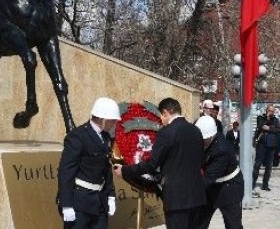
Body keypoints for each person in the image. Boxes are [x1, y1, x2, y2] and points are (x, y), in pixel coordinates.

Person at [114, 98, 206, 229]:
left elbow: (151, 165)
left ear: (165, 112)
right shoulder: (195, 131)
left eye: (160, 116)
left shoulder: (166, 133)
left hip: (177, 200)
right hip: (198, 197)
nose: (161, 121)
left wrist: (125, 170)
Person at [57, 97, 120, 228]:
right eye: (112, 120)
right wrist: (66, 204)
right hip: (79, 202)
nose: (114, 123)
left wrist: (111, 195)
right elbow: (66, 172)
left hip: (99, 200)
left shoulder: (105, 137)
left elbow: (106, 169)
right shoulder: (78, 137)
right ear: (103, 119)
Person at [194, 116, 243, 229]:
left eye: (203, 139)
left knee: (233, 225)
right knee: (198, 223)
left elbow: (208, 178)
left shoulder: (222, 150)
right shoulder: (202, 139)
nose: (200, 141)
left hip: (229, 187)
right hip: (210, 186)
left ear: (211, 136)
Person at [252, 104, 280, 191]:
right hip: (261, 144)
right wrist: (267, 118)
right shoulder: (260, 118)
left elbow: (278, 130)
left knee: (269, 166)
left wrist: (269, 128)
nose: (271, 112)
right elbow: (260, 126)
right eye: (269, 110)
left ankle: (265, 185)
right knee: (257, 165)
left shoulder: (276, 120)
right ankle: (252, 183)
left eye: (272, 111)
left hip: (271, 145)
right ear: (266, 110)